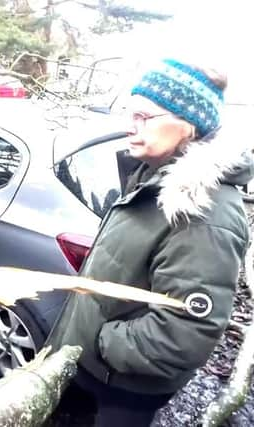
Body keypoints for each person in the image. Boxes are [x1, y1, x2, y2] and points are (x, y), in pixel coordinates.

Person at [45, 58, 252, 426]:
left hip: (118, 388)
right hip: (94, 368)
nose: (130, 126)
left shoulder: (201, 210)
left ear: (189, 125)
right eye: (130, 113)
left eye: (144, 116)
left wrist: (104, 343)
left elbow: (185, 333)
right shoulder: (153, 175)